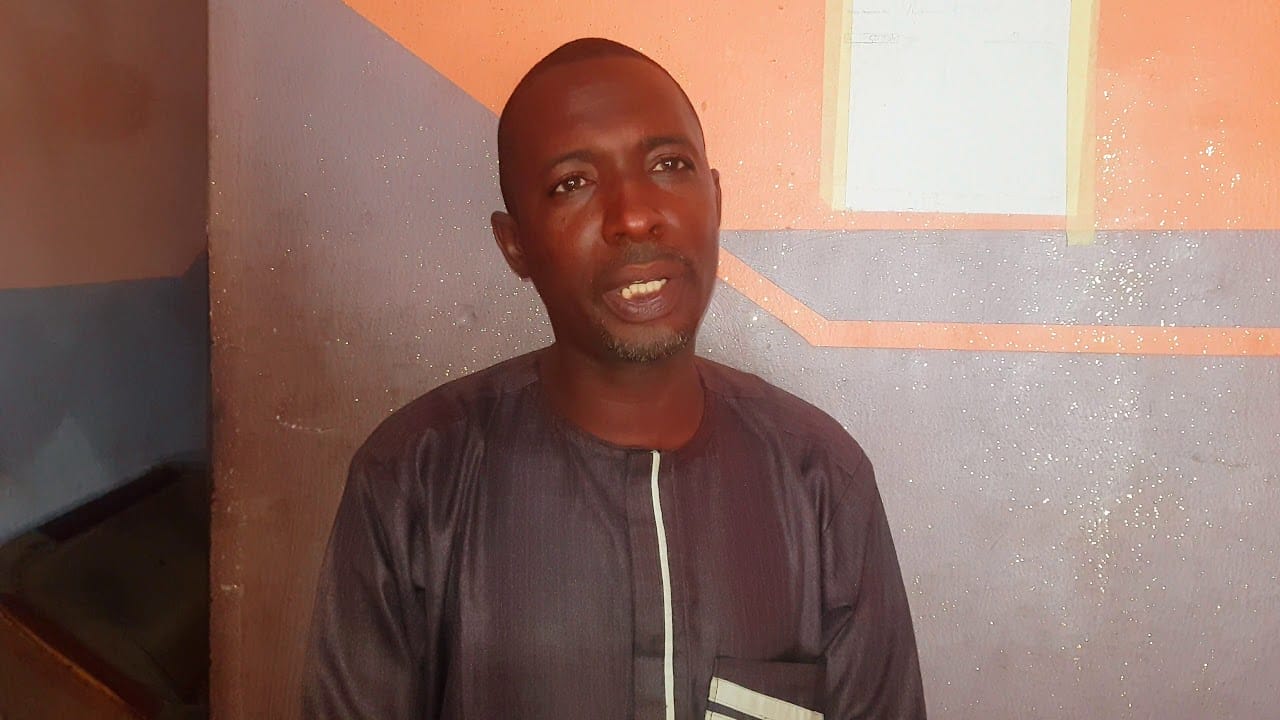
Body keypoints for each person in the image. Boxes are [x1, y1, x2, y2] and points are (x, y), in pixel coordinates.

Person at [302, 38, 926, 719]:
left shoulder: (820, 481)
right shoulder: (414, 481)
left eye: (668, 165)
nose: (633, 216)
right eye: (572, 183)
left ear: (715, 200)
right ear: (516, 245)